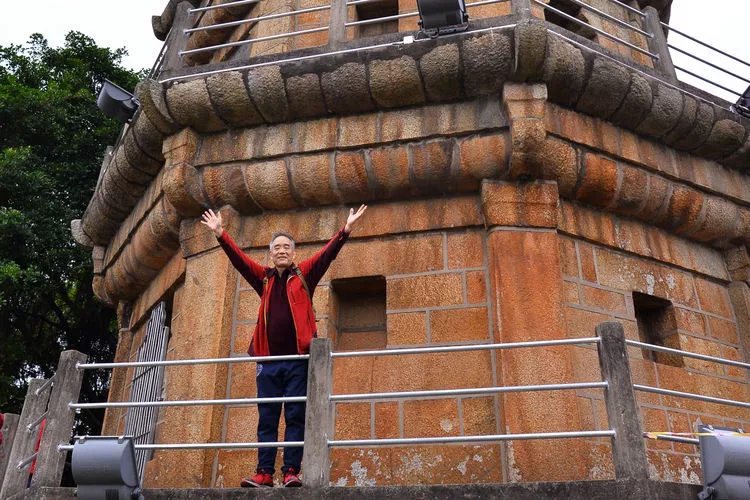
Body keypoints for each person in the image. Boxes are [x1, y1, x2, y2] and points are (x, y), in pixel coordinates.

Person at [200, 205, 367, 488]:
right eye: (276, 247)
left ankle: (290, 471)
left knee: (294, 416)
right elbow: (240, 261)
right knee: (267, 418)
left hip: (297, 361)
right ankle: (264, 473)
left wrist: (345, 230)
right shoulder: (263, 279)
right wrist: (220, 234)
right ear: (271, 253)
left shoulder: (303, 275)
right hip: (268, 363)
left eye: (286, 247)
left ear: (293, 252)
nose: (281, 251)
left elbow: (327, 255)